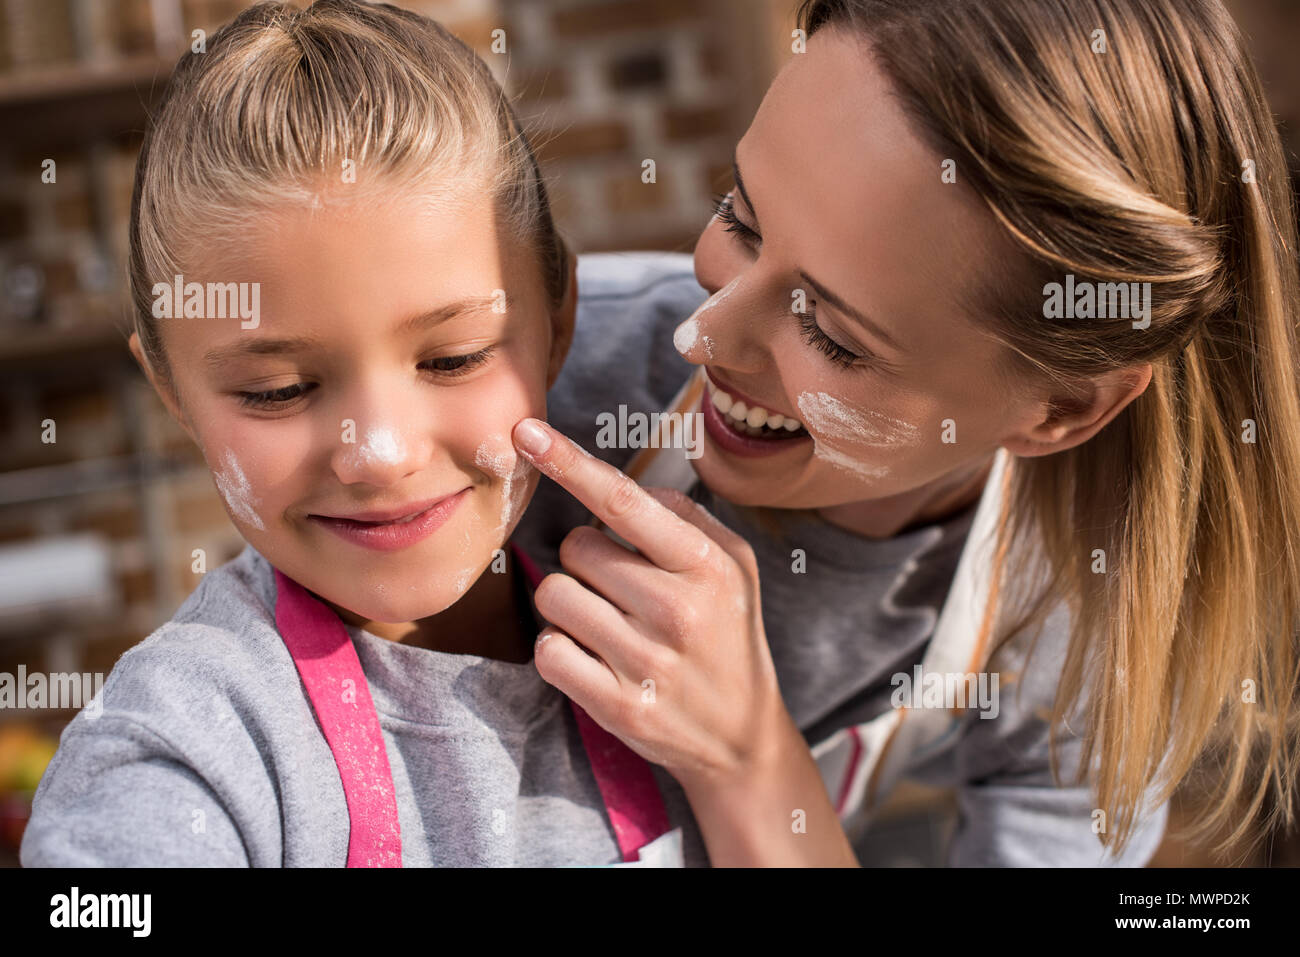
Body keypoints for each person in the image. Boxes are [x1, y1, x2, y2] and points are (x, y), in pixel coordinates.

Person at [509, 0, 1300, 865]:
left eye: (832, 334)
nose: (705, 336)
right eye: (740, 217)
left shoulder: (1085, 628)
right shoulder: (528, 387)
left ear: (1062, 410)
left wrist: (748, 763)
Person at [21, 0, 706, 867]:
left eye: (453, 359)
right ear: (173, 393)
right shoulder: (186, 749)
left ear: (560, 321)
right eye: (281, 388)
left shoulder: (678, 643)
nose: (380, 453)